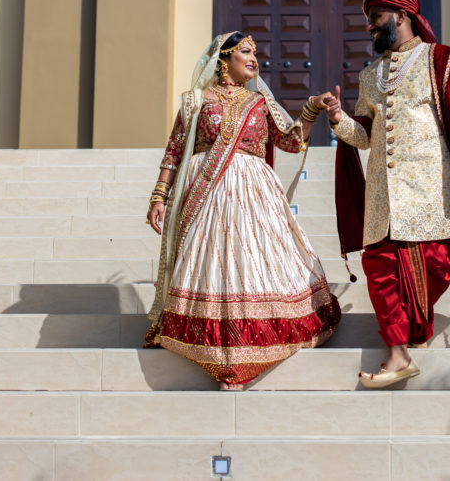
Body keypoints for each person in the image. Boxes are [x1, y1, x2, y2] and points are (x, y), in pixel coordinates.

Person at [320, 0, 450, 388]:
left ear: (401, 16)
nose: (370, 26)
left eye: (376, 17)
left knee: (438, 264)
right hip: (382, 195)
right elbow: (366, 136)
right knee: (379, 266)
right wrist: (337, 118)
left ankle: (413, 329)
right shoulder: (369, 76)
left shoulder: (442, 59)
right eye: (369, 19)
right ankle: (397, 352)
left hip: (431, 186)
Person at [145, 31, 341, 390]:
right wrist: (159, 195)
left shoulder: (260, 104)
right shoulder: (195, 102)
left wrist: (311, 108)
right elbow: (174, 150)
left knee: (251, 262)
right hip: (206, 195)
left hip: (254, 195)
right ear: (223, 60)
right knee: (213, 265)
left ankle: (250, 347)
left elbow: (292, 141)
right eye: (245, 52)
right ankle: (214, 348)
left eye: (255, 53)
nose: (255, 59)